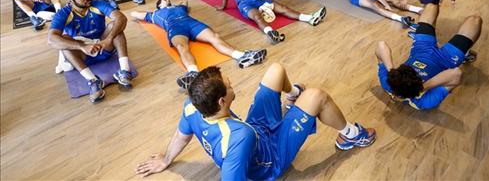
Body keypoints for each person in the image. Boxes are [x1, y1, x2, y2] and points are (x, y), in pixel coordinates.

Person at [135, 62, 376, 179]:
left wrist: (166, 158)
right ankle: (352, 135)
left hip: (256, 132)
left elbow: (182, 135)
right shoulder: (239, 138)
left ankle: (292, 97)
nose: (232, 84)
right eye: (229, 86)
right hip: (269, 160)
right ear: (221, 101)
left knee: (276, 70)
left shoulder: (192, 106)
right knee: (317, 96)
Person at [131, 0, 267, 90]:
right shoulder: (155, 14)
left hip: (192, 23)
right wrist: (153, 10)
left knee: (215, 37)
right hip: (175, 27)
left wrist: (174, 4)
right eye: (164, 0)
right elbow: (134, 13)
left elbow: (185, 1)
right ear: (159, 5)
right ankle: (193, 73)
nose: (167, 0)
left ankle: (242, 56)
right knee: (181, 46)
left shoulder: (180, 7)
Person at [375, 3, 481, 110]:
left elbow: (381, 46)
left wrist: (392, 73)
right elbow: (456, 74)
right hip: (446, 59)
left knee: (431, 6)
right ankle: (465, 53)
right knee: (475, 20)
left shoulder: (389, 83)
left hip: (421, 49)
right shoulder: (424, 102)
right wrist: (422, 88)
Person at [48, 0, 134, 103]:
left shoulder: (97, 4)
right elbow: (51, 39)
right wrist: (82, 47)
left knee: (116, 26)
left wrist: (108, 40)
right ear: (71, 1)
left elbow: (121, 18)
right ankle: (94, 81)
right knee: (64, 43)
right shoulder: (63, 13)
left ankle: (125, 71)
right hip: (83, 54)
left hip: (103, 45)